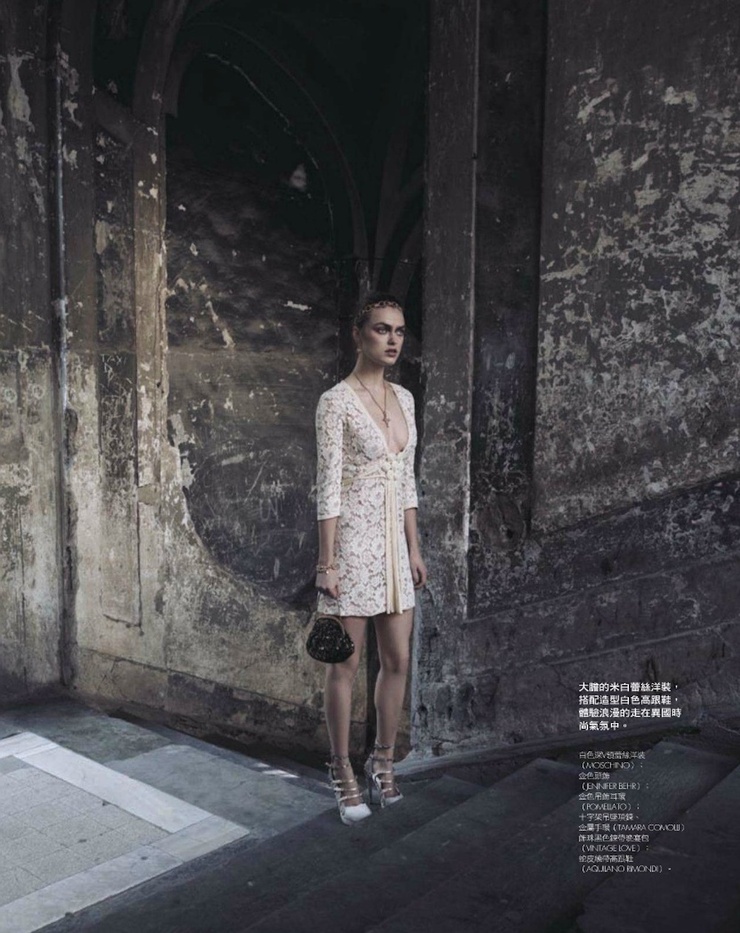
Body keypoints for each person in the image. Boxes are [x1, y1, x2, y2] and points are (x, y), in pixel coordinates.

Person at [314, 294, 427, 825]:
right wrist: (327, 563)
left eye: (399, 331)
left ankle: (382, 761)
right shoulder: (335, 402)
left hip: (394, 551)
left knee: (398, 660)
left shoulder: (404, 397)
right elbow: (328, 486)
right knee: (346, 663)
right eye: (381, 329)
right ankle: (341, 770)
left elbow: (407, 482)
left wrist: (414, 548)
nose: (392, 339)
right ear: (358, 335)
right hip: (353, 548)